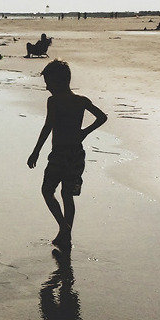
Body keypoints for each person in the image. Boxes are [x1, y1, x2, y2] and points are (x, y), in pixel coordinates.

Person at [27, 60, 107, 250]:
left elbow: (48, 127)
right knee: (67, 195)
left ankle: (64, 226)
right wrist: (85, 132)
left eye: (48, 82)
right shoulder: (81, 100)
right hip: (77, 154)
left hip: (60, 154)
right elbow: (102, 117)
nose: (46, 87)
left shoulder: (54, 101)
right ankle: (66, 236)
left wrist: (36, 151)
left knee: (47, 191)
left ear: (57, 81)